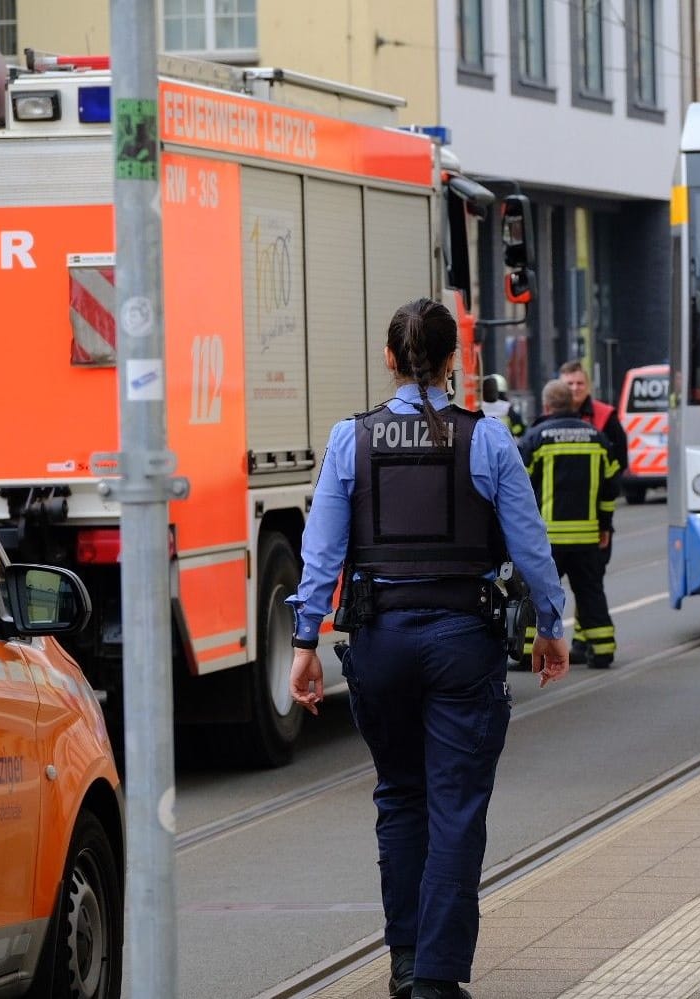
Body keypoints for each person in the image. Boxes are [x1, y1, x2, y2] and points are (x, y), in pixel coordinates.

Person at [286, 298, 571, 999]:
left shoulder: (352, 440)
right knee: (456, 805)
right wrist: (550, 624)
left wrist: (303, 641)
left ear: (391, 358)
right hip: (461, 641)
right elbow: (531, 545)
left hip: (379, 640)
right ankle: (436, 978)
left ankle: (407, 960)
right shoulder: (489, 439)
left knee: (400, 796)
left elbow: (320, 551)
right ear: (455, 361)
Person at [520, 378, 621, 668]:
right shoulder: (598, 438)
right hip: (587, 537)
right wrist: (604, 525)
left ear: (547, 406)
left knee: (536, 594)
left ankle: (529, 652)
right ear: (573, 404)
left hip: (547, 540)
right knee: (590, 591)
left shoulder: (537, 438)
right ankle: (602, 649)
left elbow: (520, 489)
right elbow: (610, 489)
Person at [558, 360, 629, 474]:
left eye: (580, 383)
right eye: (569, 384)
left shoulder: (605, 415)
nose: (575, 388)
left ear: (588, 385)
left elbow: (620, 457)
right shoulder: (549, 415)